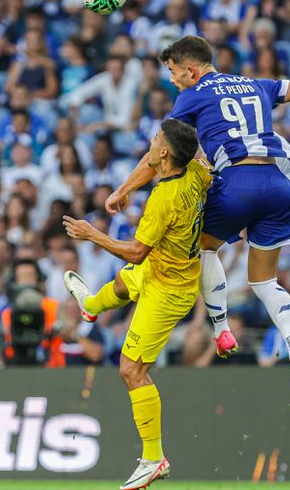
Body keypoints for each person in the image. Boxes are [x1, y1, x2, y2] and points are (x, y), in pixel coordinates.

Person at [105, 35, 290, 403]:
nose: (174, 81)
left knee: (199, 249)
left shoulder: (192, 95)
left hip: (237, 183)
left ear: (192, 70)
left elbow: (159, 152)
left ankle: (222, 329)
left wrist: (124, 189)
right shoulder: (257, 84)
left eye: (175, 73)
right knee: (264, 281)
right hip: (279, 186)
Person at [62, 120, 207, 489]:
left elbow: (137, 252)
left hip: (169, 290)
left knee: (131, 371)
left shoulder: (164, 199)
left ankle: (154, 458)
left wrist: (91, 233)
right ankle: (91, 306)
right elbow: (189, 164)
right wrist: (124, 189)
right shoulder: (194, 170)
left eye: (157, 139)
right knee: (122, 283)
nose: (151, 141)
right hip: (168, 267)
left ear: (165, 153)